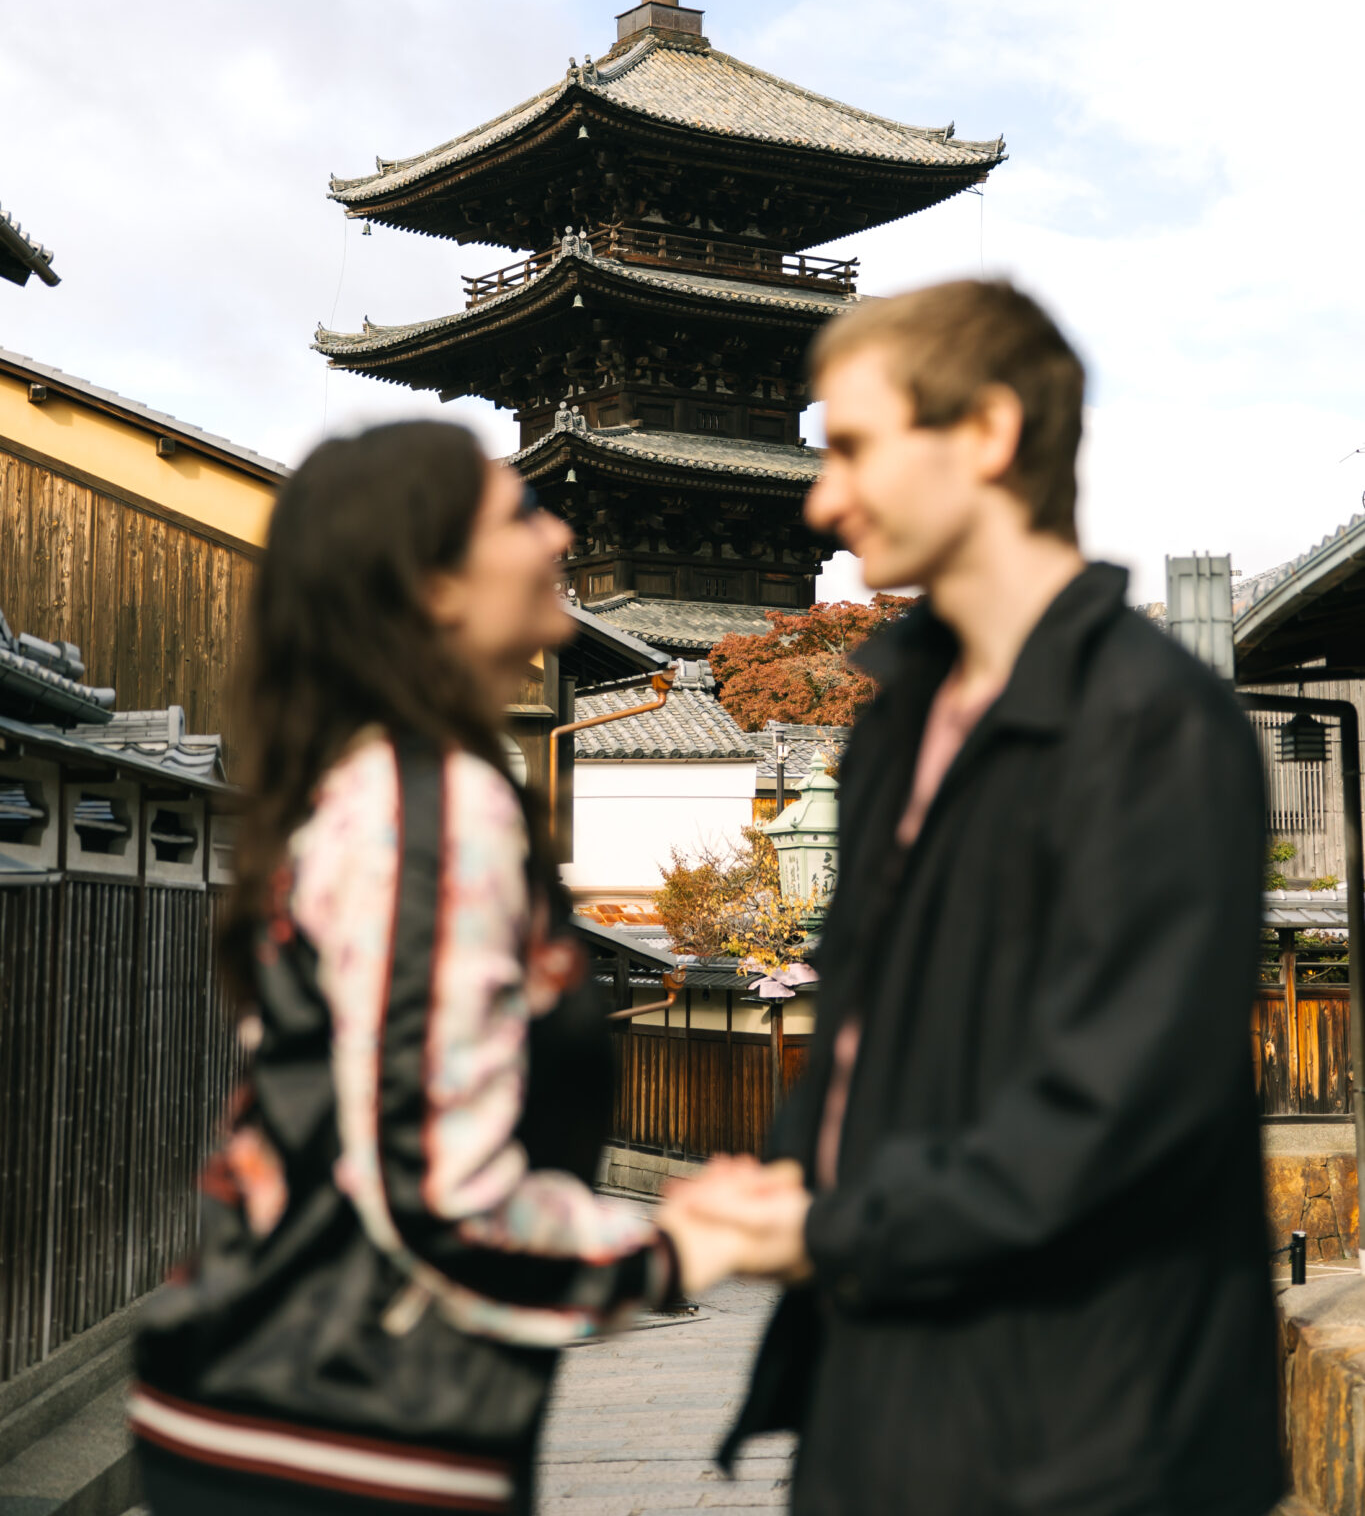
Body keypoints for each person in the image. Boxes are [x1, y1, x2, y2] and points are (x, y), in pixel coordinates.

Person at [658, 279, 1282, 1516]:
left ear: (988, 434)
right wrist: (784, 1179)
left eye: (851, 446)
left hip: (1088, 1429)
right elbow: (864, 1038)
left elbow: (1117, 1109)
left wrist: (825, 1228)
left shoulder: (1152, 721)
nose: (821, 500)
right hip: (889, 1388)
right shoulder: (898, 722)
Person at [130, 422, 739, 1516]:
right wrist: (680, 1245)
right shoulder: (428, 811)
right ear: (435, 585)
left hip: (299, 1411)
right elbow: (430, 1199)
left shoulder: (389, 787)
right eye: (516, 513)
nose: (558, 529)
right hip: (334, 1437)